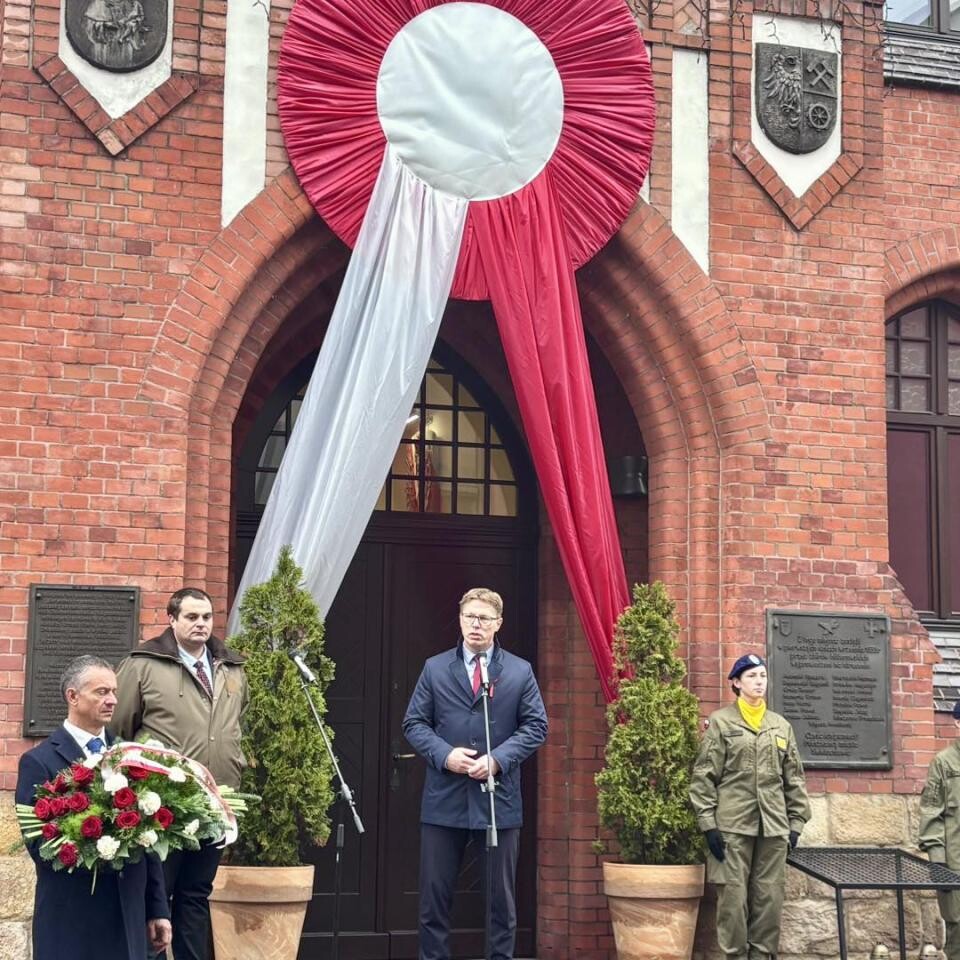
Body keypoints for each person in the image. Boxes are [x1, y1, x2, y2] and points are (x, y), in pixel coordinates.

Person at [402, 587, 548, 960]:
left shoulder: (518, 671)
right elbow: (414, 723)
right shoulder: (435, 668)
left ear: (498, 623)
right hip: (444, 799)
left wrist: (498, 759)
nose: (475, 625)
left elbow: (535, 727)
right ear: (461, 619)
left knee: (501, 901)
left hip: (497, 800)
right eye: (469, 617)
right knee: (434, 897)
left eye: (483, 618)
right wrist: (444, 754)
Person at [112, 587, 248, 960]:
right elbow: (119, 729)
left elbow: (238, 726)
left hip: (215, 803)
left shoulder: (231, 668)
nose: (201, 624)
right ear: (171, 620)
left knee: (195, 896)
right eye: (191, 617)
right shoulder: (143, 664)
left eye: (206, 617)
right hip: (164, 806)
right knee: (157, 899)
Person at [16, 655, 172, 960]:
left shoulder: (131, 756)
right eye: (101, 692)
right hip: (74, 921)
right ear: (72, 696)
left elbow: (149, 841)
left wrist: (158, 909)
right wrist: (104, 837)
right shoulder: (39, 762)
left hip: (129, 918)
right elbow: (41, 846)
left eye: (114, 691)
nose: (112, 700)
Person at [688, 653, 811, 960]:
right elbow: (704, 777)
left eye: (763, 676)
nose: (759, 682)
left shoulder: (780, 726)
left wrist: (795, 825)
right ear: (736, 683)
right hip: (731, 827)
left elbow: (794, 778)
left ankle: (762, 956)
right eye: (752, 676)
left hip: (773, 828)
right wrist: (709, 825)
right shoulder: (721, 722)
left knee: (769, 899)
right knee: (732, 899)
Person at [919, 701, 960, 960]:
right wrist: (938, 863)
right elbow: (931, 813)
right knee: (958, 931)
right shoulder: (944, 763)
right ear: (957, 722)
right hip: (955, 865)